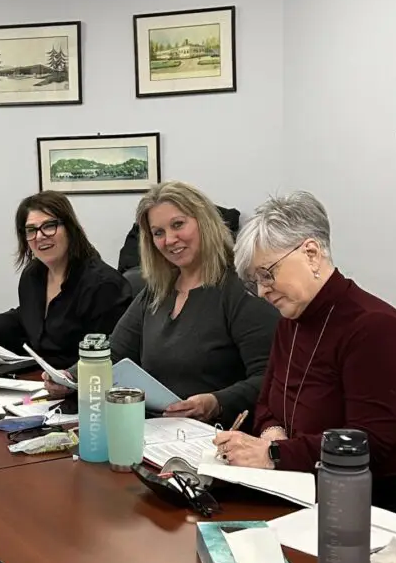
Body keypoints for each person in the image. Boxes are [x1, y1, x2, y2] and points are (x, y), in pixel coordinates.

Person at [216, 191, 396, 521]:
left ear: (311, 253)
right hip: (309, 484)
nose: (262, 291)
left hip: (392, 501)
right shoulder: (292, 319)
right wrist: (271, 433)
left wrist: (273, 454)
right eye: (255, 281)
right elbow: (266, 404)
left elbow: (367, 444)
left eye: (267, 274)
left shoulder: (373, 327)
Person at [109, 181, 278, 426]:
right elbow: (114, 353)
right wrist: (66, 377)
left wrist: (216, 402)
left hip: (218, 435)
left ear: (204, 222)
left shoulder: (242, 288)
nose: (169, 240)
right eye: (158, 233)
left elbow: (270, 377)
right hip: (154, 430)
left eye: (178, 225)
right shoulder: (156, 291)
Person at [0, 191, 132, 370]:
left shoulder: (103, 285)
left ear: (70, 228)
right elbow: (26, 319)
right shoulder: (34, 274)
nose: (40, 236)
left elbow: (108, 357)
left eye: (49, 226)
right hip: (37, 381)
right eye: (31, 230)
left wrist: (67, 381)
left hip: (84, 393)